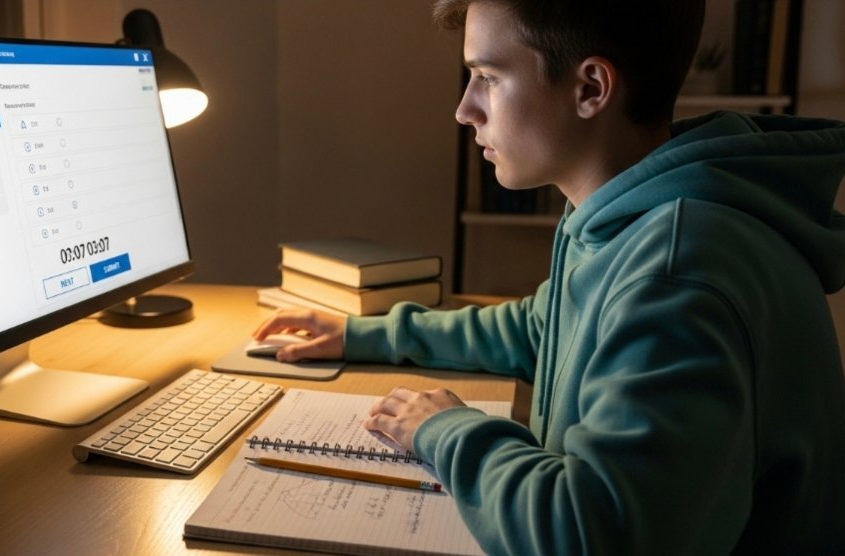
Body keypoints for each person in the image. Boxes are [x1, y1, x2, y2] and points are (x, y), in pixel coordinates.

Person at [253, 0, 845, 553]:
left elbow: (591, 531)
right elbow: (540, 329)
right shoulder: (626, 211)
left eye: (487, 76)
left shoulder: (678, 270)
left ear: (590, 88)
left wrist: (445, 430)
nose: (465, 109)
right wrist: (365, 333)